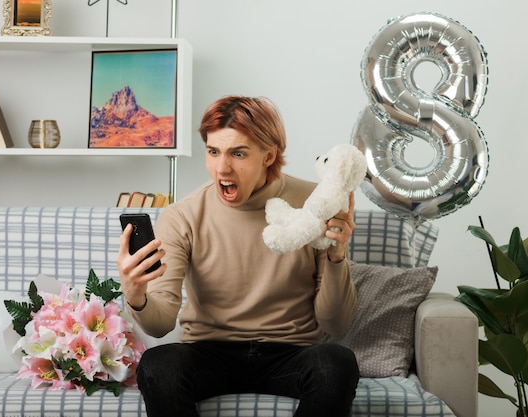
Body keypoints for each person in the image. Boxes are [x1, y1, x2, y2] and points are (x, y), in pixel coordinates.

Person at [117, 95, 360, 416]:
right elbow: (160, 325)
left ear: (268, 156)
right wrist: (136, 295)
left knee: (337, 362)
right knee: (158, 364)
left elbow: (336, 323)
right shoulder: (183, 216)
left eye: (238, 153)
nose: (222, 168)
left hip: (292, 353)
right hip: (208, 353)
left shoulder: (316, 204)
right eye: (213, 151)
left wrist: (337, 255)